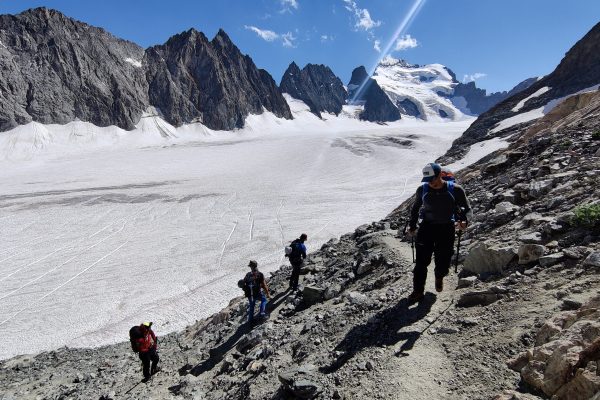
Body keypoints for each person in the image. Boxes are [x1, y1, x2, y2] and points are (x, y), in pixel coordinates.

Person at [407, 163, 471, 303]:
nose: (430, 182)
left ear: (440, 175)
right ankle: (418, 291)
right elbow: (415, 209)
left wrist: (464, 221)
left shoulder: (455, 190)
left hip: (446, 227)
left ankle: (439, 276)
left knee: (443, 259)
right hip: (426, 227)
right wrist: (412, 226)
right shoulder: (422, 190)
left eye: (432, 179)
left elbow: (466, 209)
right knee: (421, 262)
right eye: (427, 180)